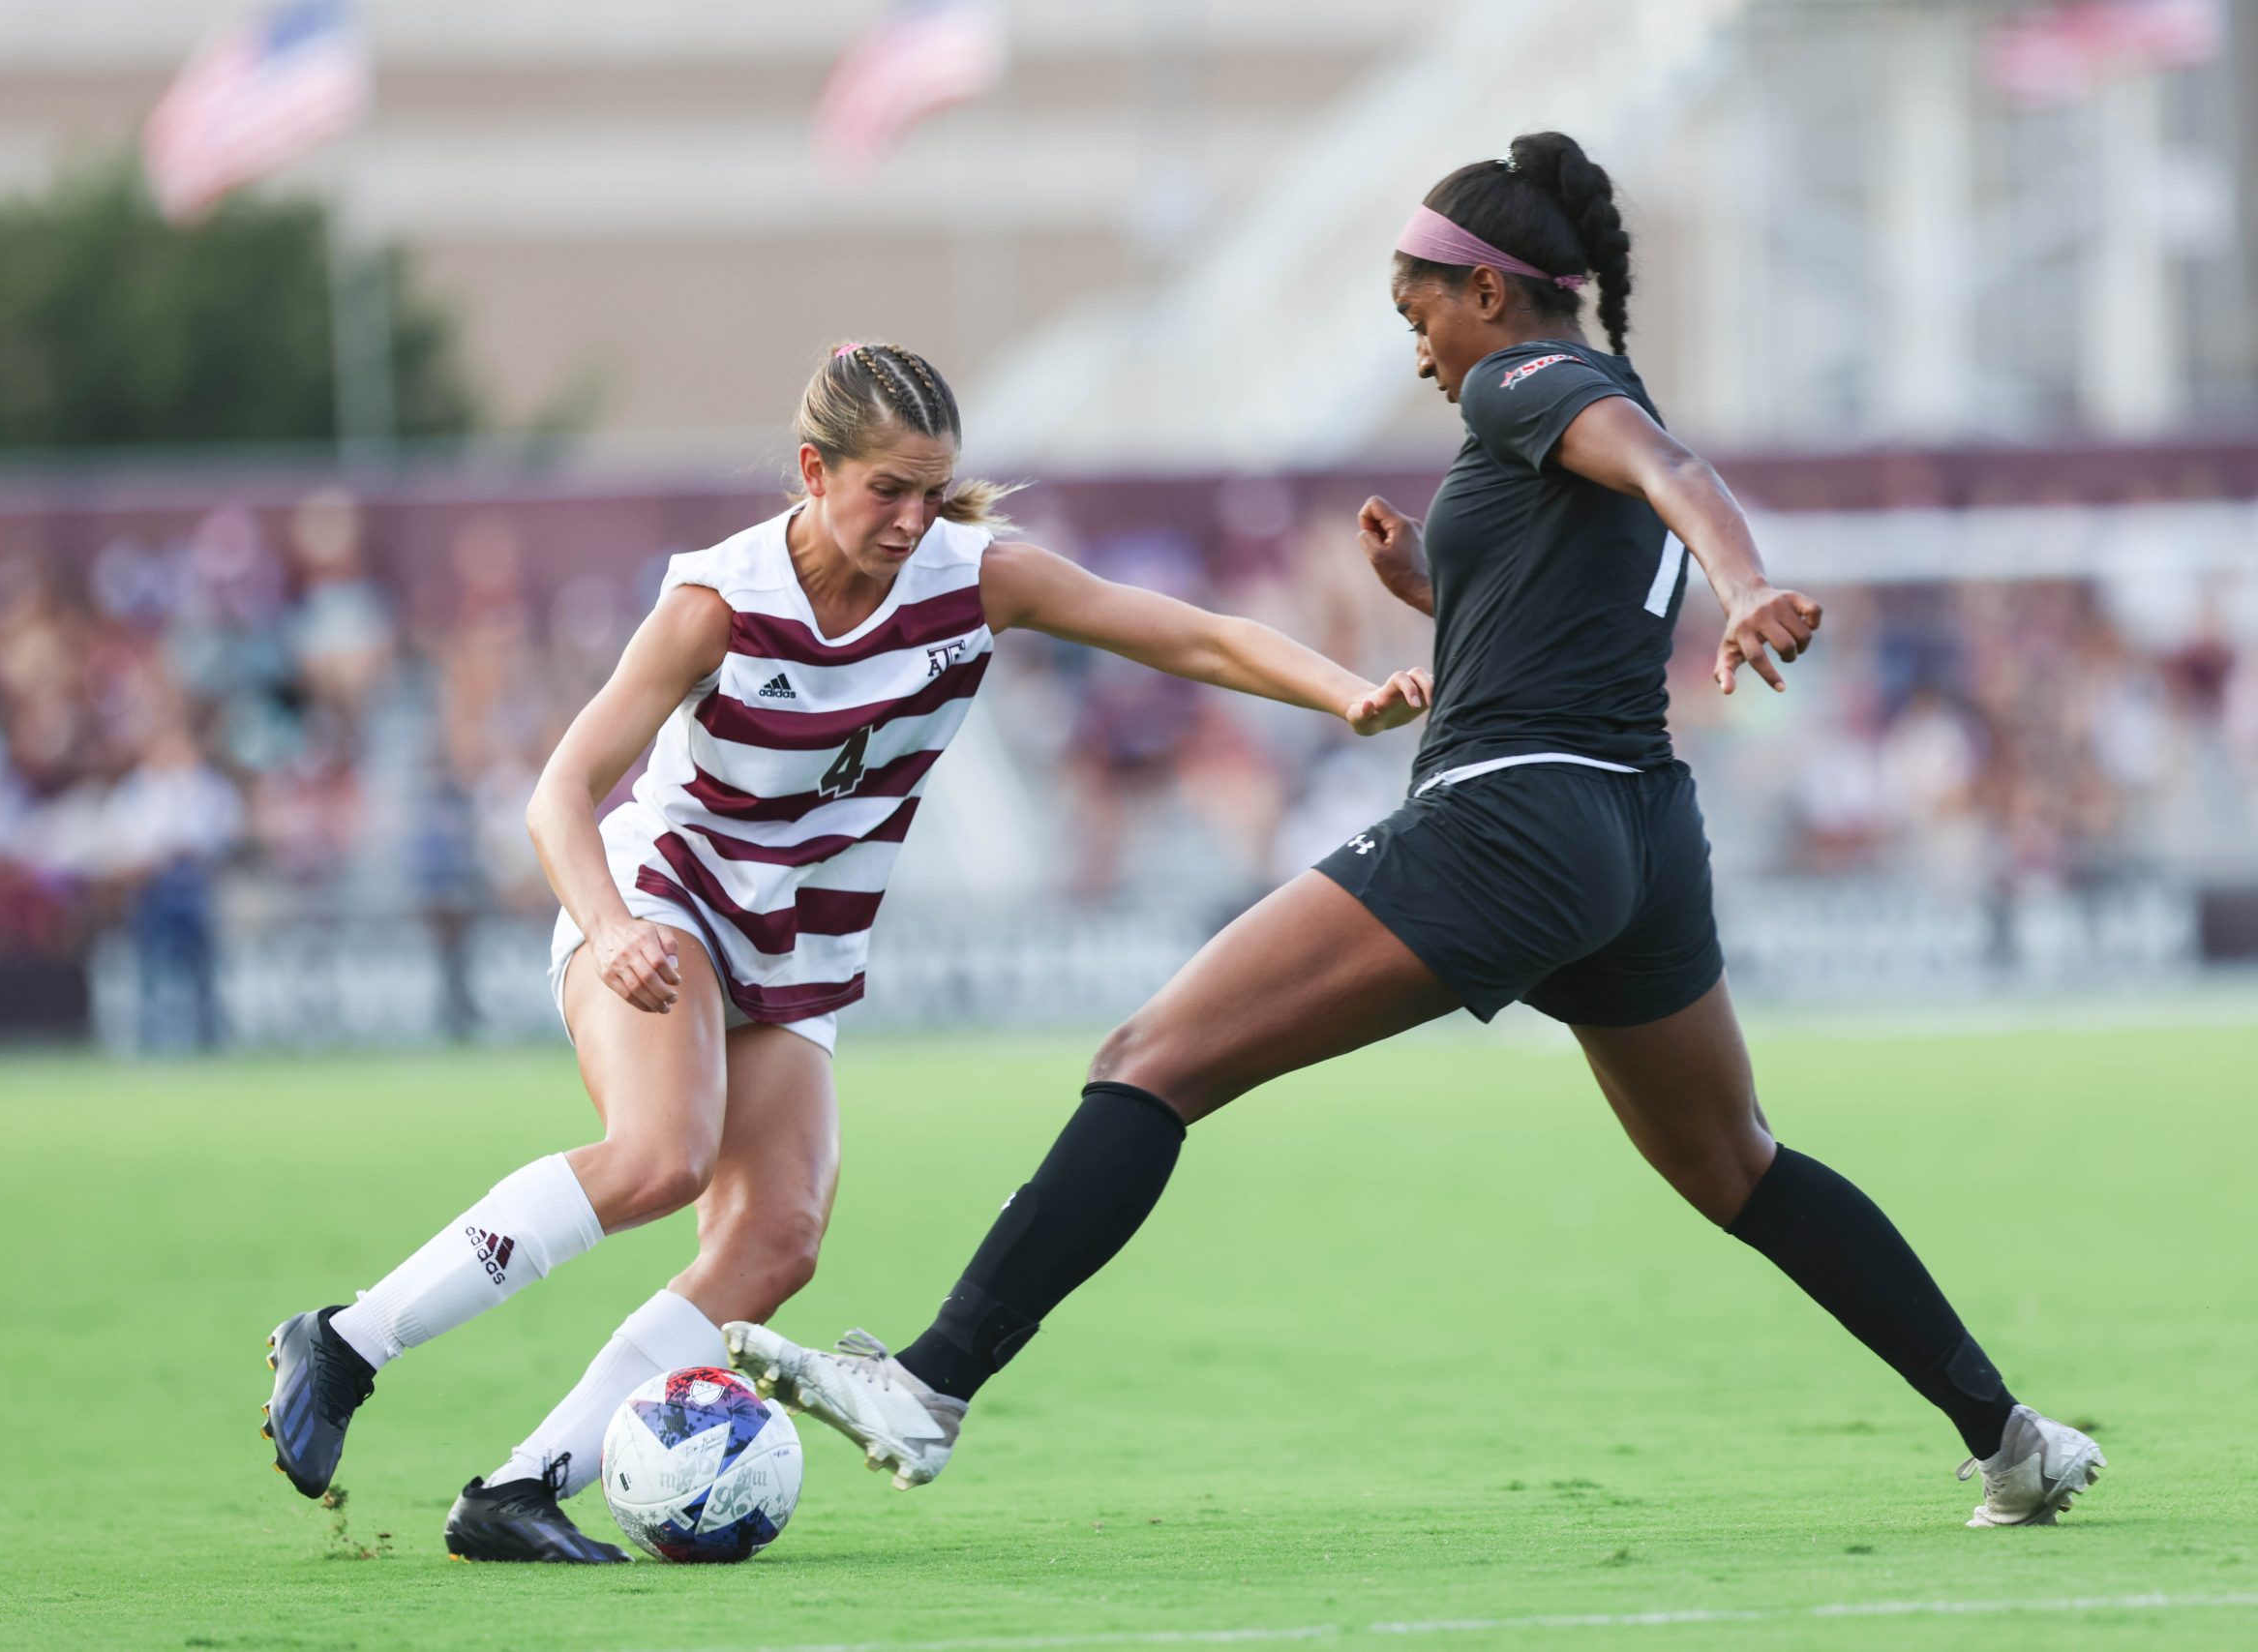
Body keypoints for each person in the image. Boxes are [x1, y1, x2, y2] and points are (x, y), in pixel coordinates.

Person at [725, 135, 2105, 1532]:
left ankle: (934, 1381)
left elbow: (1670, 465)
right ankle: (2012, 1435)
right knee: (1736, 1161)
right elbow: (1576, 572)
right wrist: (1429, 579)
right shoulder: (1569, 404)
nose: (1421, 350)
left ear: (1489, 296)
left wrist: (1747, 583)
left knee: (1148, 1061)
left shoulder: (1526, 379)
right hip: (1636, 836)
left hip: (1513, 819)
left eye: (1419, 314)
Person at [260, 341, 1436, 1561]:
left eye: (934, 491)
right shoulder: (717, 605)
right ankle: (346, 1343)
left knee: (778, 1241)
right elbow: (559, 792)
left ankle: (515, 1490)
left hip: (801, 948)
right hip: (671, 902)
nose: (914, 519)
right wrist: (609, 931)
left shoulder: (975, 580)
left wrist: (1343, 694)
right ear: (814, 472)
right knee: (662, 1158)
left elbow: (1189, 637)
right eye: (889, 489)